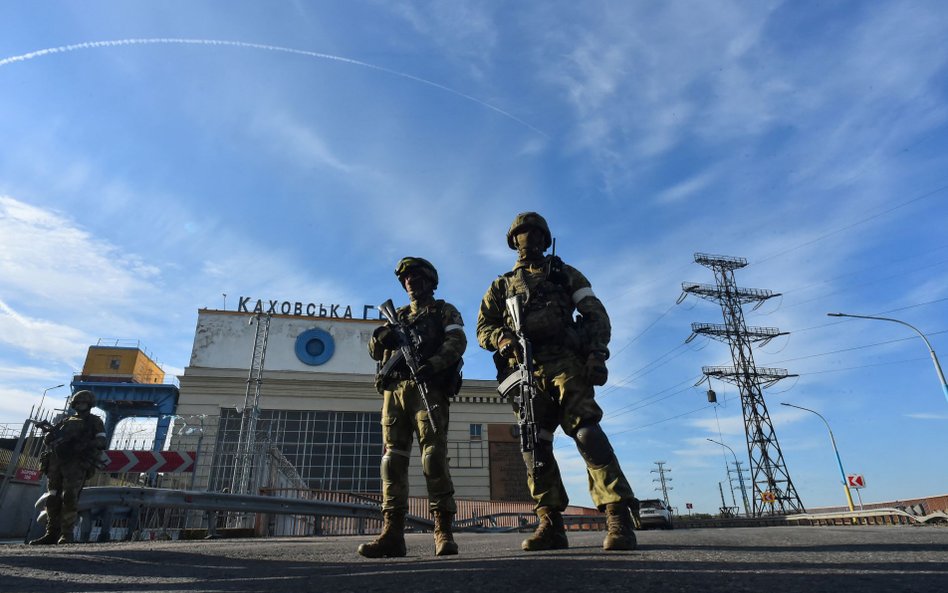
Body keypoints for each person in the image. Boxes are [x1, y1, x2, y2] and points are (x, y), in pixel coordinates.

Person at [476, 212, 638, 551]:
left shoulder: (564, 274)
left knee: (587, 433)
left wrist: (597, 353)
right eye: (522, 234)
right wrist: (502, 339)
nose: (529, 239)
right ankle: (550, 522)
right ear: (513, 241)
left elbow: (594, 313)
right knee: (535, 442)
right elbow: (483, 329)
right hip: (524, 369)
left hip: (564, 362)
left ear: (545, 239)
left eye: (536, 233)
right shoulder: (501, 285)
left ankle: (617, 516)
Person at [358, 257, 466, 558]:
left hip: (427, 386)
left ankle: (443, 530)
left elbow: (457, 341)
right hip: (395, 392)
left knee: (433, 457)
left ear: (430, 281)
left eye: (416, 277)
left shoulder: (444, 310)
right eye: (406, 279)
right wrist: (380, 337)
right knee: (392, 461)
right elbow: (374, 350)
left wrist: (432, 365)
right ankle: (392, 533)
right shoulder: (398, 315)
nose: (410, 282)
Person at [29, 390, 107, 545]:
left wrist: (83, 444)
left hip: (76, 464)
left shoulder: (94, 421)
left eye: (83, 403)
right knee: (52, 497)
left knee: (69, 497)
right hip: (56, 464)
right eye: (78, 403)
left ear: (90, 404)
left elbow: (102, 441)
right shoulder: (65, 421)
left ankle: (66, 534)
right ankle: (51, 533)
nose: (80, 405)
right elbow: (48, 440)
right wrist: (50, 437)